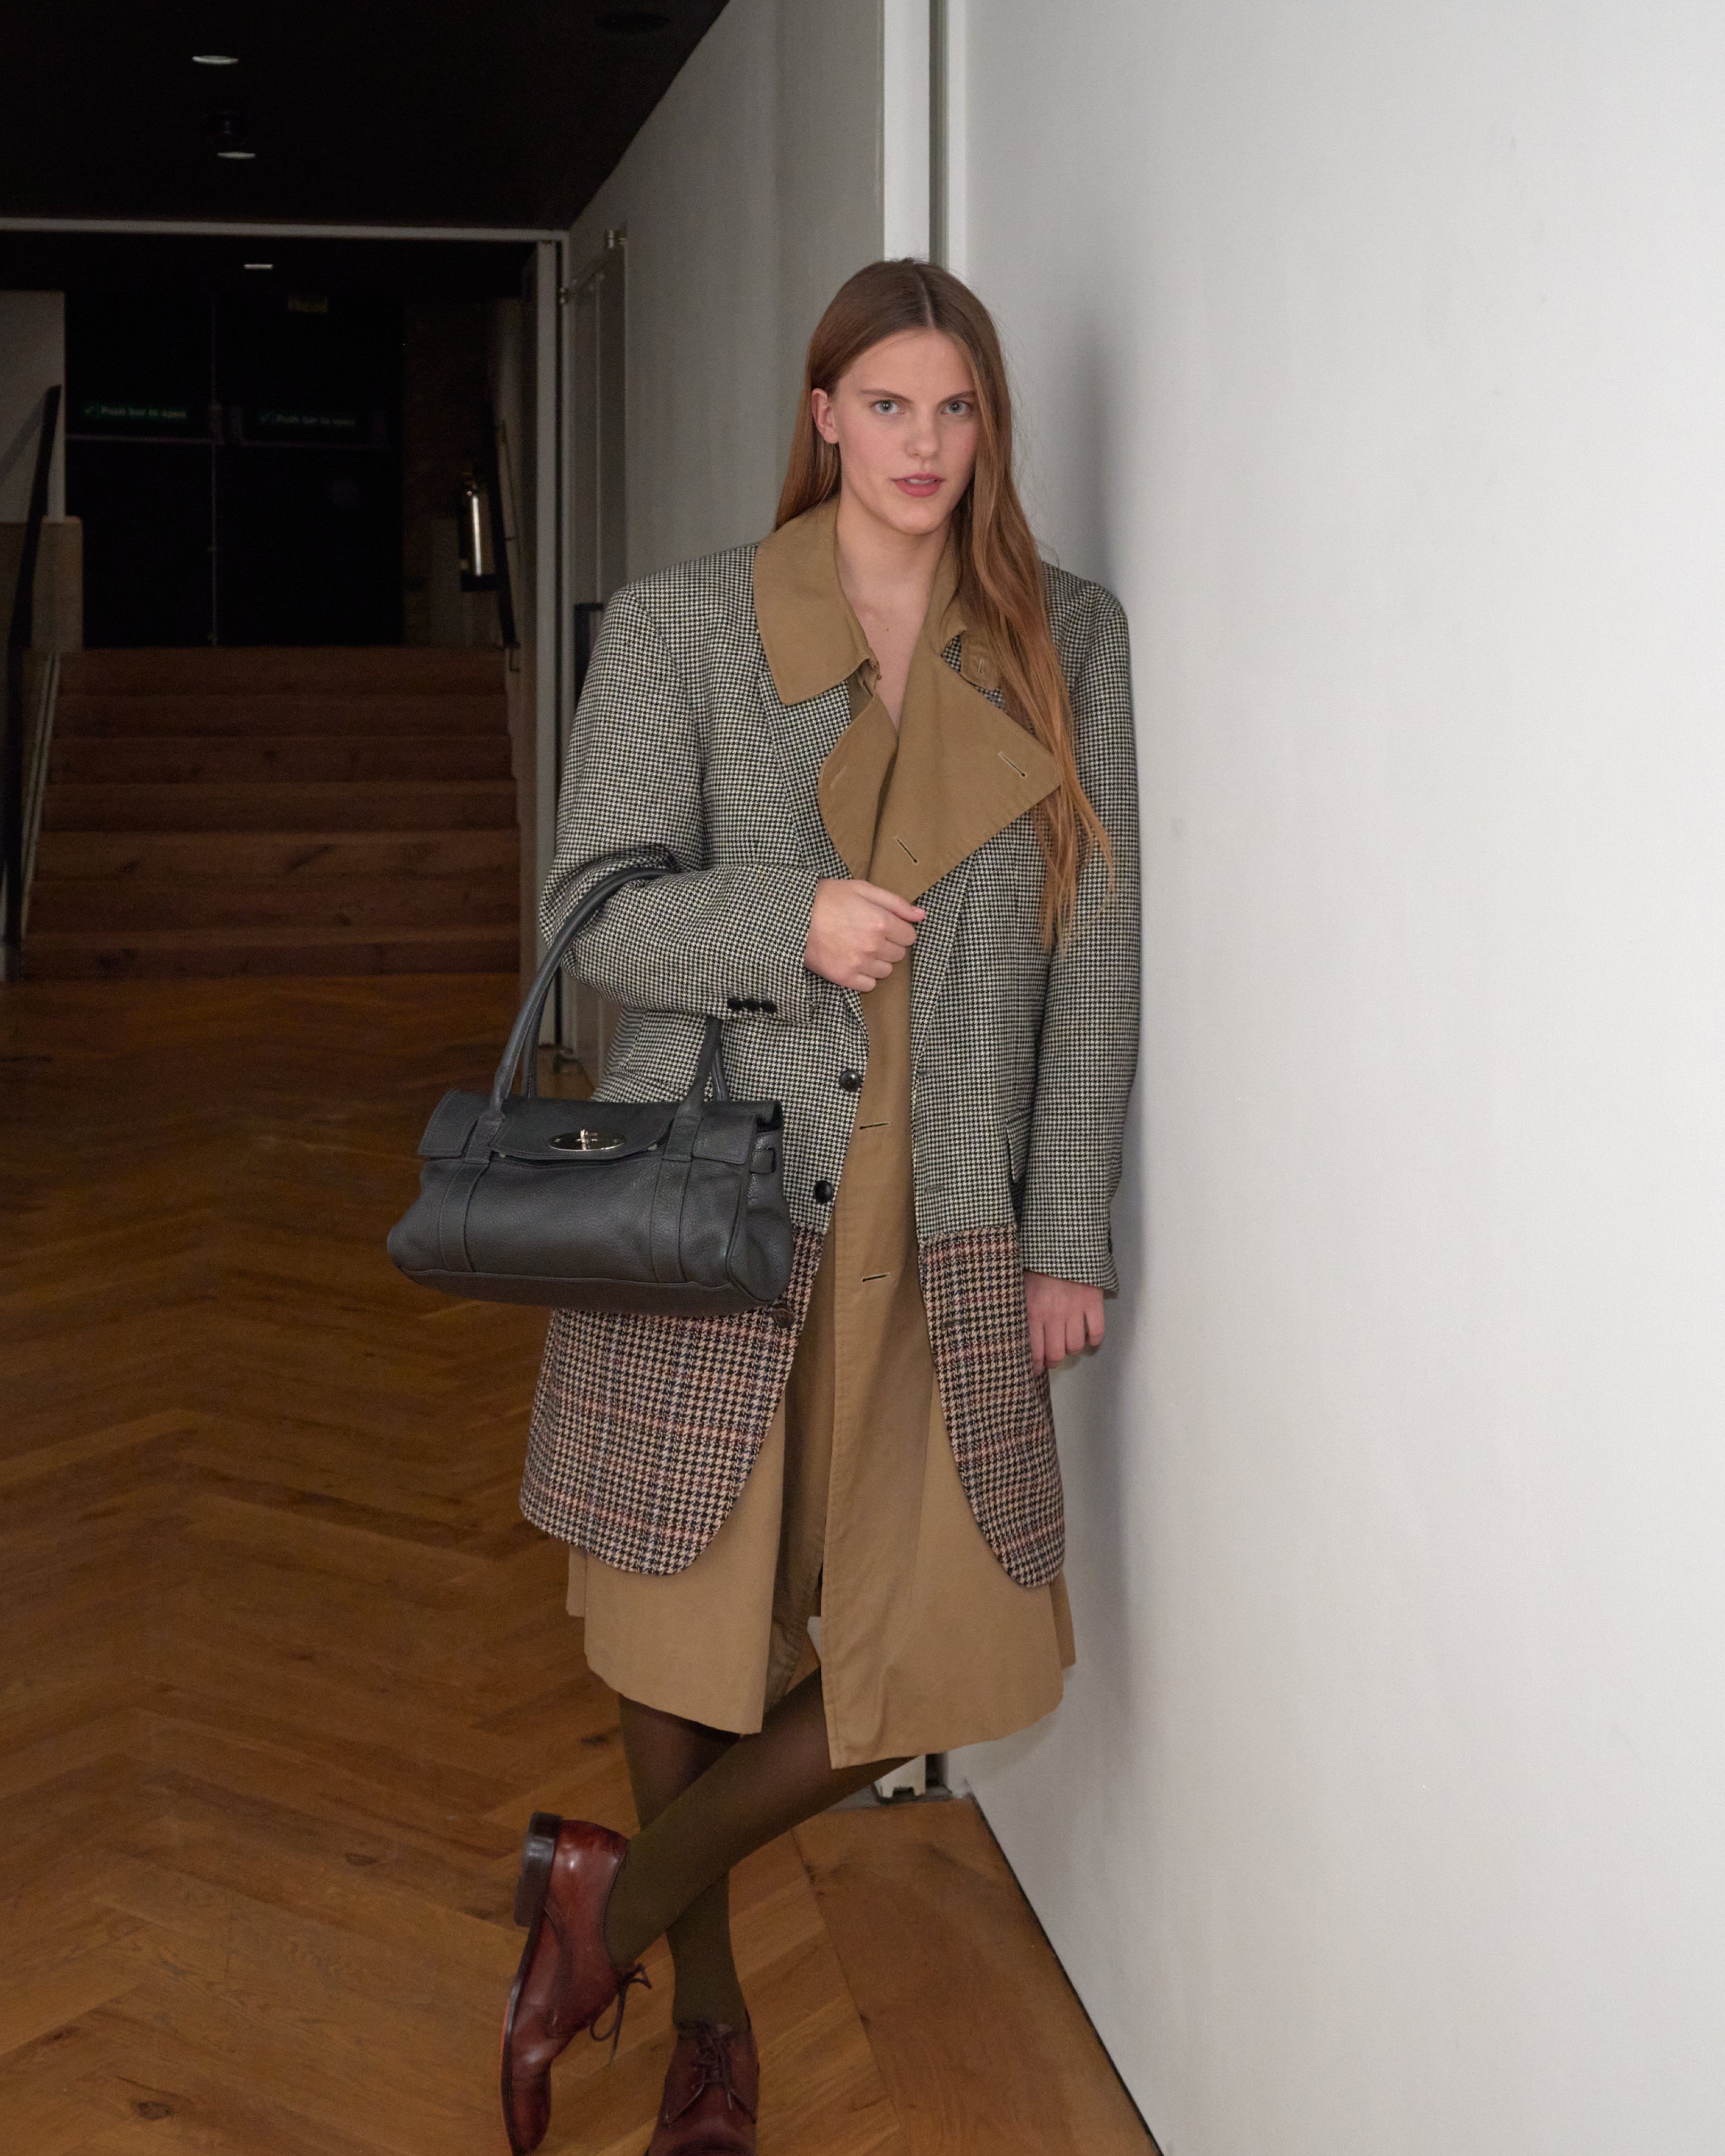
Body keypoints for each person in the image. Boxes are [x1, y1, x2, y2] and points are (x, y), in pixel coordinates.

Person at [499, 257, 1140, 2156]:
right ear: (823, 416)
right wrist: (782, 919)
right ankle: (707, 2017)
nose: (926, 447)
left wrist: (1067, 1226)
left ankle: (600, 1908)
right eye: (889, 407)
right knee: (678, 1605)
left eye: (959, 412)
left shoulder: (1061, 636)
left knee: (948, 1643)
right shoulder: (696, 627)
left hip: (945, 1198)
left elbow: (1091, 947)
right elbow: (589, 913)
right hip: (711, 1181)